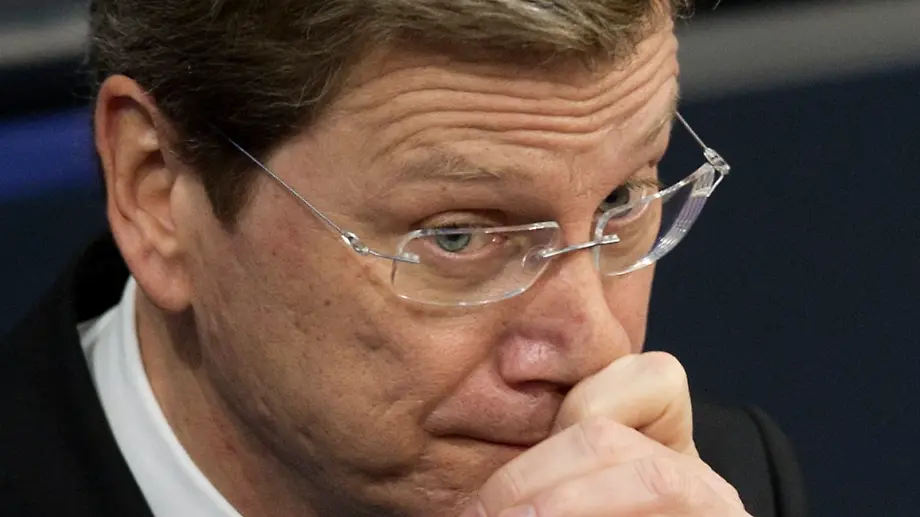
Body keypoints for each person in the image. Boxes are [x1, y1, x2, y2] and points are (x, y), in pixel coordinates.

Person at [0, 0, 807, 516]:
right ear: (158, 193)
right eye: (456, 236)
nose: (596, 348)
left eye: (622, 200)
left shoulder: (700, 485)